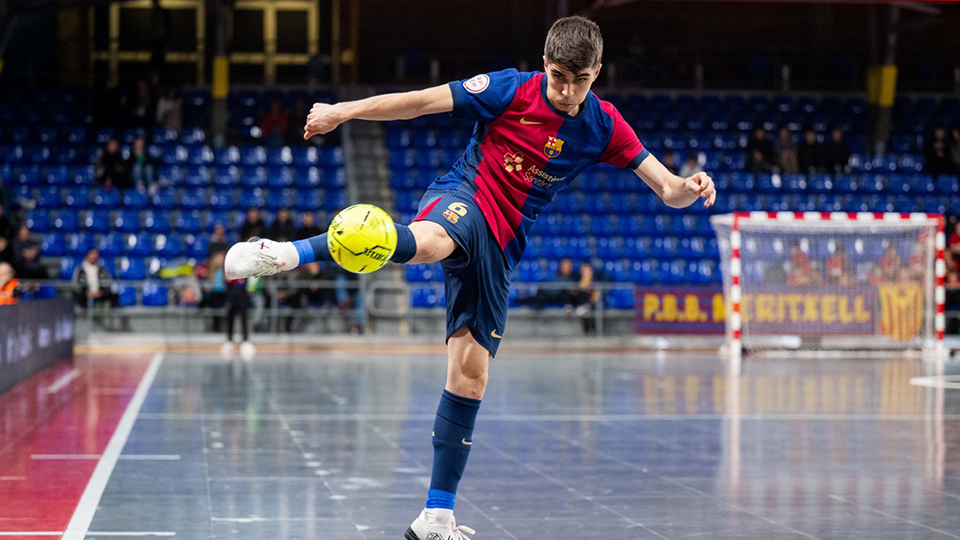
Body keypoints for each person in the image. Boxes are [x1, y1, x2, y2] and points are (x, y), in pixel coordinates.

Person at [223, 16, 715, 540]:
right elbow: (420, 101)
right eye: (557, 77)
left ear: (598, 72)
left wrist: (689, 184)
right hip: (466, 197)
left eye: (580, 80)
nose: (567, 91)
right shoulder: (510, 89)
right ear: (543, 63)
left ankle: (435, 517)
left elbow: (666, 189)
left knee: (470, 373)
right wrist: (344, 111)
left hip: (503, 243)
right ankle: (283, 254)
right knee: (434, 241)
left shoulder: (604, 125)